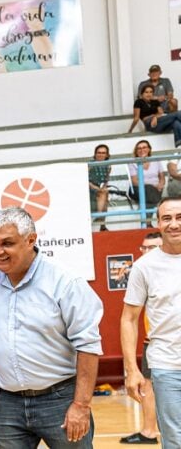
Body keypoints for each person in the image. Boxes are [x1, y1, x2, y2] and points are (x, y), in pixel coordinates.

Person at [0, 207, 103, 448]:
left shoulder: (65, 282)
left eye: (7, 243)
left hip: (60, 400)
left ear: (31, 240)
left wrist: (81, 405)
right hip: (5, 404)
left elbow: (88, 346)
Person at [122, 200, 181, 447]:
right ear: (157, 223)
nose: (174, 224)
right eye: (167, 218)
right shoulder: (144, 267)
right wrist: (132, 370)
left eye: (179, 217)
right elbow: (128, 319)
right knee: (175, 439)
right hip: (167, 366)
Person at [118, 231, 162, 445]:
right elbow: (129, 318)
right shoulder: (143, 272)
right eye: (144, 248)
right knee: (147, 387)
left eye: (152, 247)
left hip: (169, 344)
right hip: (152, 342)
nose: (146, 251)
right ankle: (149, 430)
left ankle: (150, 431)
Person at [128, 140, 165, 225]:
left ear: (149, 149)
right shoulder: (132, 162)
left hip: (156, 189)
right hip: (137, 189)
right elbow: (134, 182)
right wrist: (152, 185)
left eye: (144, 147)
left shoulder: (156, 160)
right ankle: (149, 222)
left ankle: (146, 223)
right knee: (149, 190)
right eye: (139, 148)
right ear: (136, 151)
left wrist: (161, 185)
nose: (142, 150)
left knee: (150, 193)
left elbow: (162, 177)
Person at [88, 144, 111, 232]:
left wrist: (102, 188)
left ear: (107, 155)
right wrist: (95, 188)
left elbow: (106, 180)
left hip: (100, 189)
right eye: (99, 153)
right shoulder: (90, 165)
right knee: (104, 193)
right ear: (95, 154)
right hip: (89, 189)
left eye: (103, 153)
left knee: (105, 192)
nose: (101, 155)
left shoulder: (108, 166)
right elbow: (85, 180)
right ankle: (102, 223)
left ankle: (100, 221)